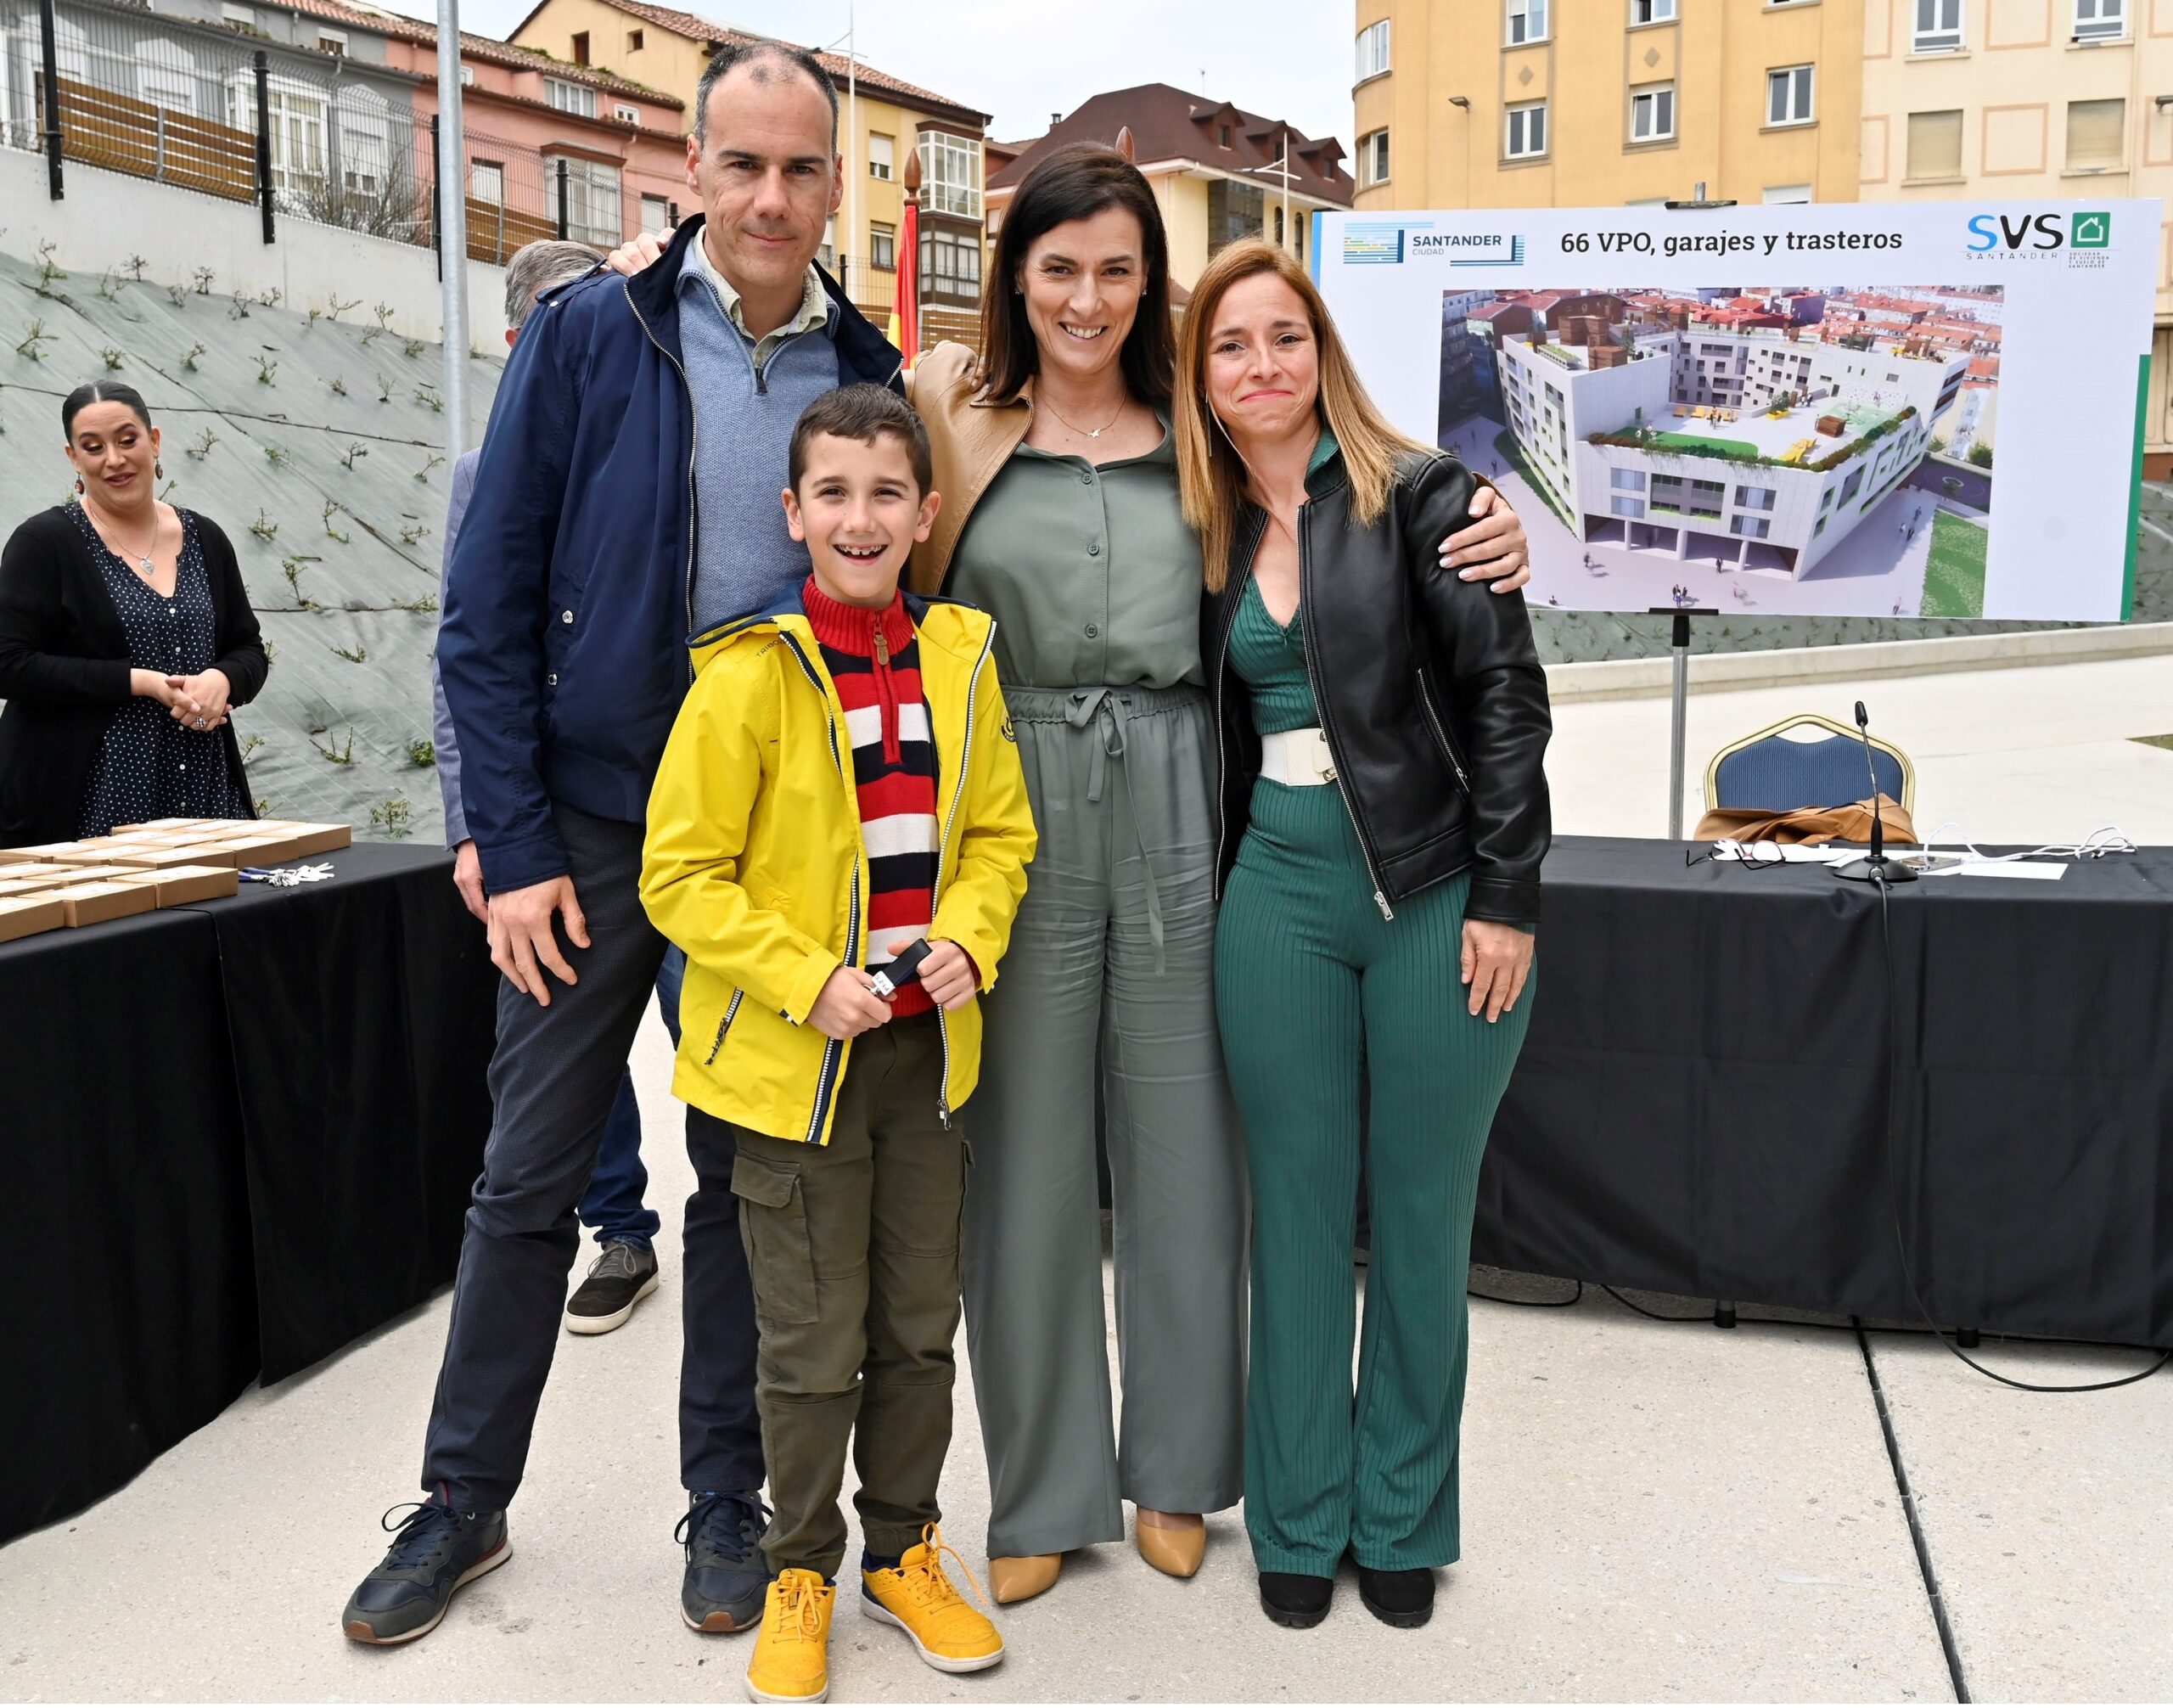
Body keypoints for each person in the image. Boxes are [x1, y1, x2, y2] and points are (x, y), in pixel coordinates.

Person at [607, 143, 1532, 1604]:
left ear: (1150, 286)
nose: (1087, 298)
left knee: (1189, 1150)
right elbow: (825, 430)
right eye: (1058, 268)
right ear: (1015, 277)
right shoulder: (947, 405)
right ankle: (1043, 1490)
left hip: (1180, 787)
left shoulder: (1200, 420)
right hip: (1009, 796)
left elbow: (1330, 463)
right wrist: (657, 270)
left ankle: (1177, 1473)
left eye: (1117, 269)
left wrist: (1481, 514)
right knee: (1021, 1160)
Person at [340, 40, 903, 1647]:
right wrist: (507, 840)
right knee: (528, 1175)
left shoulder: (862, 365)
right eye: (746, 163)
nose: (773, 197)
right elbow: (487, 603)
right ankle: (462, 1498)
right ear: (694, 165)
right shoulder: (594, 333)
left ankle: (726, 1496)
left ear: (833, 182)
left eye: (802, 168)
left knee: (734, 1179)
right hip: (588, 827)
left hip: (762, 848)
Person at [1176, 240, 1550, 1632]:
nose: (1261, 364)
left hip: (1436, 892)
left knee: (1421, 1219)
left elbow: (1507, 703)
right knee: (1292, 1216)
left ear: (1321, 351)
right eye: (1231, 344)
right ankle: (1297, 1516)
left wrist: (1509, 894)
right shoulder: (1197, 525)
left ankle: (1400, 1514)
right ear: (1201, 375)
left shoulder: (1427, 497)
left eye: (1285, 336)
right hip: (1275, 891)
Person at [643, 385, 1035, 1705]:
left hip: (927, 1062)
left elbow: (999, 840)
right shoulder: (745, 674)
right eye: (834, 493)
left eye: (885, 493)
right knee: (811, 1344)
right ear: (793, 511)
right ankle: (801, 1568)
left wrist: (970, 939)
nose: (859, 518)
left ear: (926, 513)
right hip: (794, 1071)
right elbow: (680, 876)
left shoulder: (964, 658)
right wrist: (806, 980)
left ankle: (905, 1551)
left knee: (920, 1327)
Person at [430, 239, 675, 1337]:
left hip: (684, 812)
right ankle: (619, 1223)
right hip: (557, 818)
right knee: (568, 1066)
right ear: (518, 339)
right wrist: (480, 832)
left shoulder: (659, 442)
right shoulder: (485, 470)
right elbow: (465, 653)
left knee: (713, 1047)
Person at [0, 383, 266, 846]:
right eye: (93, 447)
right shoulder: (45, 543)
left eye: (127, 440)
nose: (114, 459)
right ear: (73, 458)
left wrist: (223, 680)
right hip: (90, 800)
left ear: (154, 441)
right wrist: (137, 681)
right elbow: (8, 664)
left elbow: (247, 648)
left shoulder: (205, 538)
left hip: (202, 790)